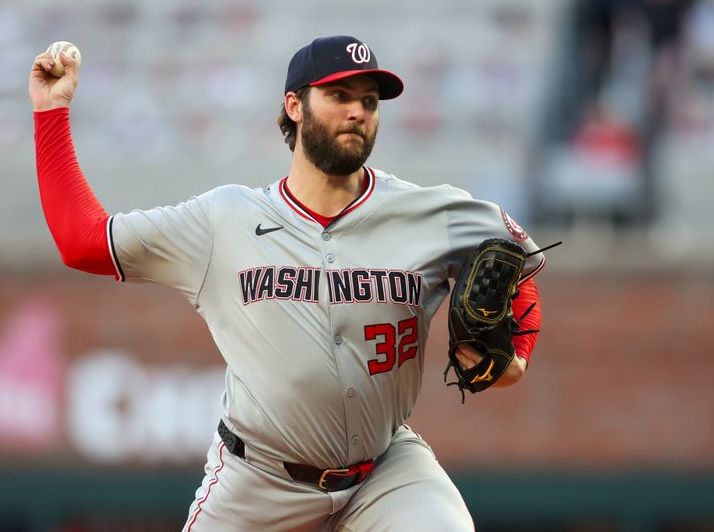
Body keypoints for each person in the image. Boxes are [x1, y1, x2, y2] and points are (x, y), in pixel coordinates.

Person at [29, 35, 545, 531]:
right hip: (258, 480)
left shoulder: (431, 213)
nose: (357, 112)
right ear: (295, 106)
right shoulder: (224, 219)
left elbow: (517, 261)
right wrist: (51, 114)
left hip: (384, 471)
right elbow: (83, 242)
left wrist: (515, 356)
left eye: (369, 101)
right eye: (339, 95)